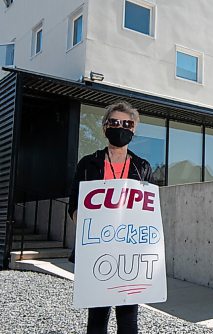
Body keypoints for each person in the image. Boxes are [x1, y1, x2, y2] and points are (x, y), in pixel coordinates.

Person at [68, 101, 153, 334]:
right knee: (97, 319)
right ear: (105, 127)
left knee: (128, 320)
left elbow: (148, 212)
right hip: (97, 252)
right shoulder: (88, 164)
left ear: (134, 130)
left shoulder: (142, 167)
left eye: (127, 124)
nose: (121, 127)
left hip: (129, 255)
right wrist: (90, 229)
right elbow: (74, 206)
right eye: (114, 122)